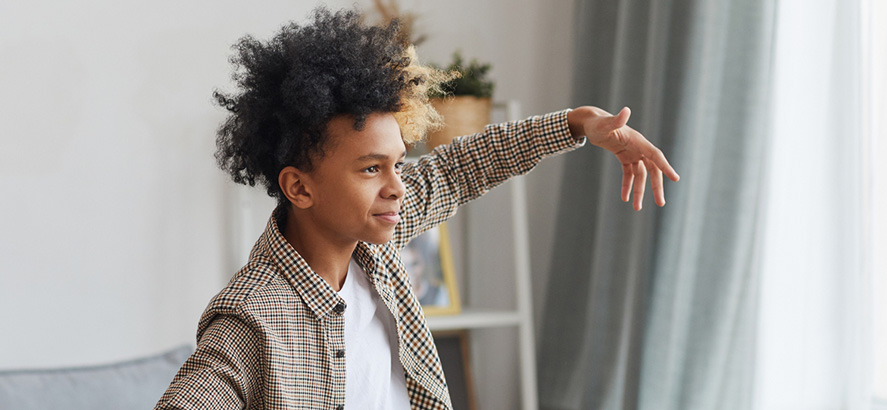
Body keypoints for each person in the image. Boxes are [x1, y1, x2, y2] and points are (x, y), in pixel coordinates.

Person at [155, 6, 678, 410]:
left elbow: (458, 168)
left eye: (398, 165)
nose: (398, 188)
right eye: (370, 169)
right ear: (299, 187)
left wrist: (578, 122)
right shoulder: (251, 318)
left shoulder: (373, 248)